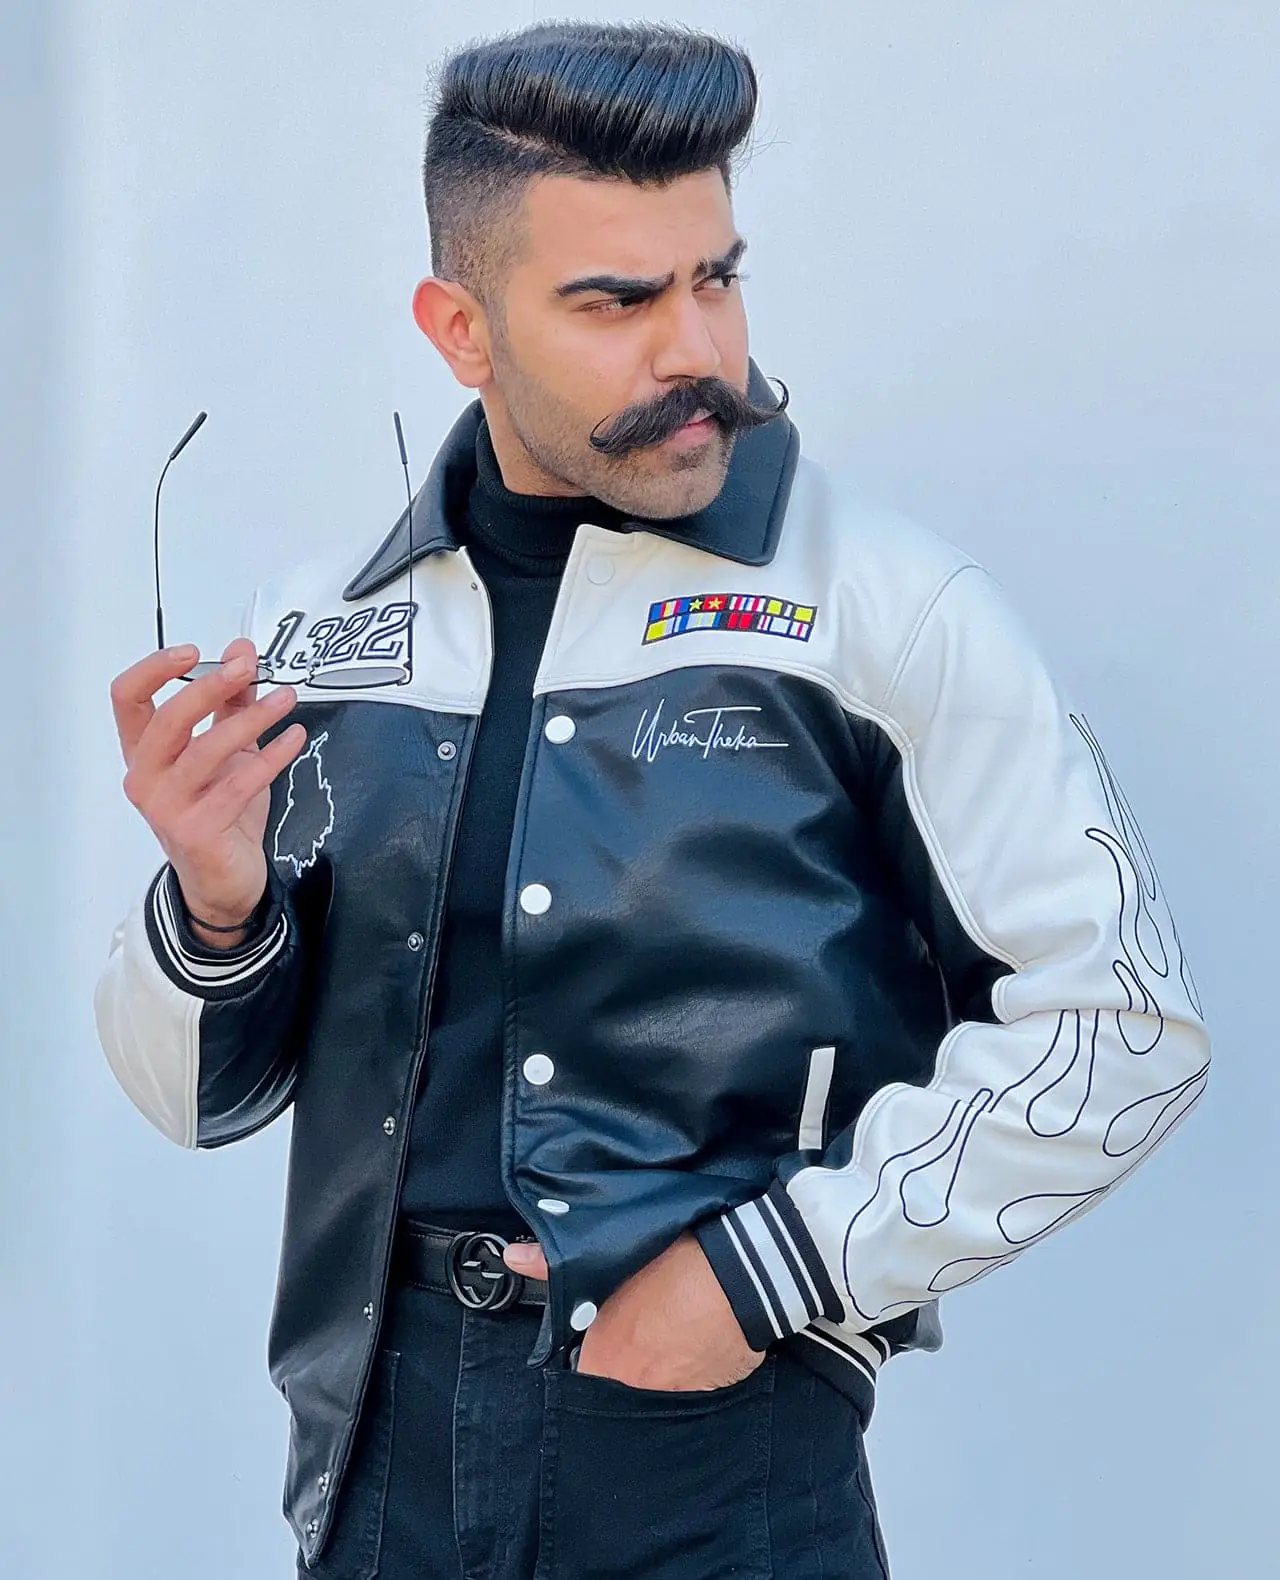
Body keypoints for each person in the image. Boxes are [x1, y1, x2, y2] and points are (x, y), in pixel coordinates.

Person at [96, 21, 1211, 1580]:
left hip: (713, 1446)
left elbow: (1123, 1028)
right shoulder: (329, 632)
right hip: (375, 1460)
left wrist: (762, 1275)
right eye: (616, 301)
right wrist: (217, 909)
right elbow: (191, 1101)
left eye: (716, 279)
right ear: (461, 330)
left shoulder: (885, 610)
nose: (697, 351)